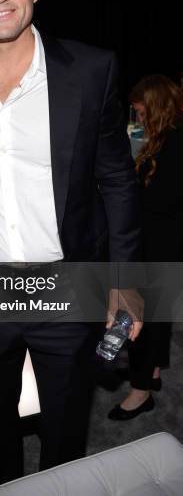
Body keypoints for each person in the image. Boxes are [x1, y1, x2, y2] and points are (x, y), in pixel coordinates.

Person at [0, 0, 143, 488]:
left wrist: (127, 280)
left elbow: (116, 182)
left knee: (64, 434)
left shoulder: (89, 71)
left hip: (65, 283)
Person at [108, 74, 183, 420]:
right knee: (157, 315)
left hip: (157, 244)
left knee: (139, 316)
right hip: (160, 242)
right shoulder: (158, 138)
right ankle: (151, 374)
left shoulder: (173, 145)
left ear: (154, 106)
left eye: (139, 107)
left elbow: (157, 199)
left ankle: (139, 393)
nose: (135, 113)